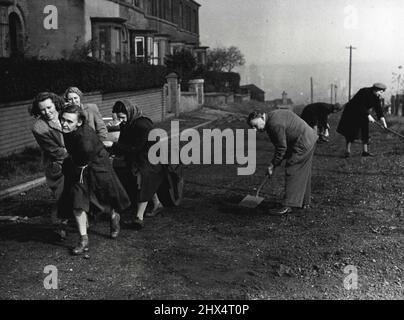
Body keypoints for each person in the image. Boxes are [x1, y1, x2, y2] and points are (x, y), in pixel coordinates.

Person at [60, 104, 131, 255]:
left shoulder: (85, 139)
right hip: (80, 166)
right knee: (77, 201)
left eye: (69, 121)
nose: (64, 123)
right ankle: (83, 238)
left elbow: (83, 156)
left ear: (79, 122)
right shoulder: (68, 130)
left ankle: (114, 217)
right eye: (63, 119)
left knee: (103, 198)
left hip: (97, 165)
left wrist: (70, 162)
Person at [247, 109, 318, 215]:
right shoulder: (273, 115)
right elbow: (283, 146)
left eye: (256, 126)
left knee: (292, 169)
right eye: (252, 127)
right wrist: (275, 163)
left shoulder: (274, 125)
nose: (255, 130)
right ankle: (304, 202)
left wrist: (272, 164)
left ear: (262, 117)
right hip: (309, 137)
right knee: (303, 172)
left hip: (302, 142)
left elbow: (281, 148)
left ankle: (288, 205)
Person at [108, 100, 165, 229]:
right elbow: (124, 143)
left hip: (151, 159)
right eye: (117, 118)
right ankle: (157, 204)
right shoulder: (128, 123)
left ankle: (139, 218)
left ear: (130, 112)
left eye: (122, 117)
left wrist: (113, 146)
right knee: (137, 178)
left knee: (142, 179)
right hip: (138, 157)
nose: (121, 121)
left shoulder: (142, 125)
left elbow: (135, 148)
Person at [29, 92, 70, 239]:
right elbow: (55, 151)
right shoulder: (39, 127)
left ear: (55, 104)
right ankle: (59, 226)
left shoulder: (67, 114)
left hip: (77, 158)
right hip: (58, 162)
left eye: (49, 107)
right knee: (61, 194)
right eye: (42, 110)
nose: (47, 112)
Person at [336, 83, 388, 157]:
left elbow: (378, 109)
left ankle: (365, 152)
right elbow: (359, 104)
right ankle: (347, 151)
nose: (381, 94)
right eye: (380, 92)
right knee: (350, 132)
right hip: (351, 112)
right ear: (376, 90)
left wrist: (384, 122)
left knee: (365, 130)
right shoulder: (364, 91)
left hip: (363, 113)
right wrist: (368, 115)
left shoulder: (376, 97)